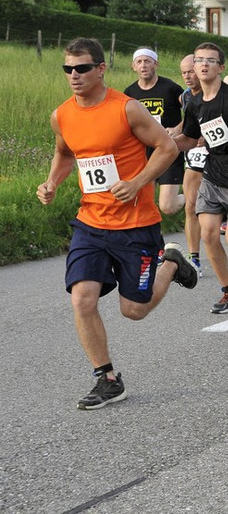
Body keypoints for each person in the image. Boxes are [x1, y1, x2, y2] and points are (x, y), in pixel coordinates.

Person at [37, 37, 198, 410]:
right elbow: (64, 153)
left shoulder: (127, 109)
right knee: (82, 296)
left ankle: (170, 263)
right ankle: (107, 379)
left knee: (134, 310)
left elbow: (168, 148)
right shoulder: (62, 114)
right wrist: (51, 183)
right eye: (68, 69)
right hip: (90, 221)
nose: (74, 76)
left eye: (81, 68)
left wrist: (138, 182)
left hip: (136, 223)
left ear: (100, 69)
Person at [173, 42, 228, 314]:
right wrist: (162, 144)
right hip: (211, 176)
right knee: (208, 234)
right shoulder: (194, 103)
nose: (204, 64)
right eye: (199, 60)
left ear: (222, 67)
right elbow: (188, 137)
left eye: (211, 60)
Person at [124, 47, 186, 215]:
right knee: (146, 205)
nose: (143, 65)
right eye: (139, 62)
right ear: (133, 66)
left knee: (168, 207)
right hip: (143, 153)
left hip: (168, 150)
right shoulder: (130, 93)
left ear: (155, 64)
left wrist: (178, 128)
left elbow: (193, 110)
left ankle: (194, 195)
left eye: (147, 61)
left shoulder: (170, 88)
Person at [177, 54, 206, 277]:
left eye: (191, 71)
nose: (188, 76)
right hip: (195, 153)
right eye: (184, 72)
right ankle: (194, 257)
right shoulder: (185, 97)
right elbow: (188, 123)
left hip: (220, 155)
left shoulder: (215, 93)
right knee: (191, 205)